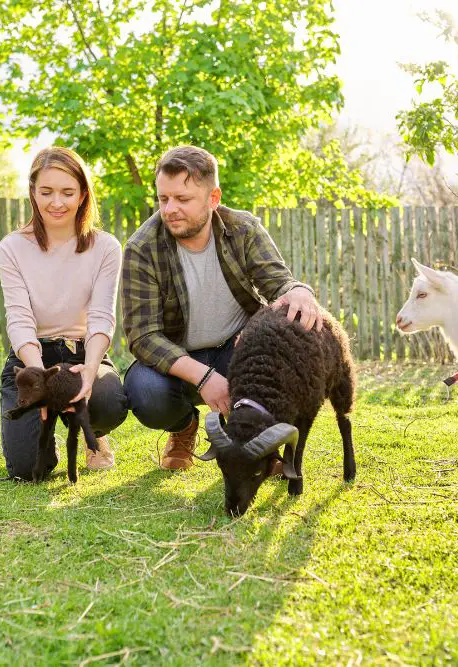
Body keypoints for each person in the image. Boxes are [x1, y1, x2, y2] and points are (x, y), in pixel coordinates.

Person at [121, 145, 321, 471]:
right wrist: (204, 378)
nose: (170, 209)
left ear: (213, 198)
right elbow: (142, 337)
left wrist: (298, 290)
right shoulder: (142, 248)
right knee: (145, 391)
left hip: (236, 348)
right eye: (163, 199)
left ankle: (251, 439)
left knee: (281, 347)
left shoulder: (243, 229)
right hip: (179, 359)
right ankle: (184, 428)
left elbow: (278, 283)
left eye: (182, 199)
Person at [0, 146, 128, 480]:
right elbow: (19, 319)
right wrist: (39, 378)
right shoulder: (12, 248)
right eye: (46, 192)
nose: (57, 202)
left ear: (83, 194)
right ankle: (47, 438)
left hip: (81, 354)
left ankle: (91, 430)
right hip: (32, 360)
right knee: (28, 471)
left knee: (109, 402)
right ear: (32, 193)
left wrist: (92, 368)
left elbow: (101, 316)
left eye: (67, 192)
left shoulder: (106, 247)